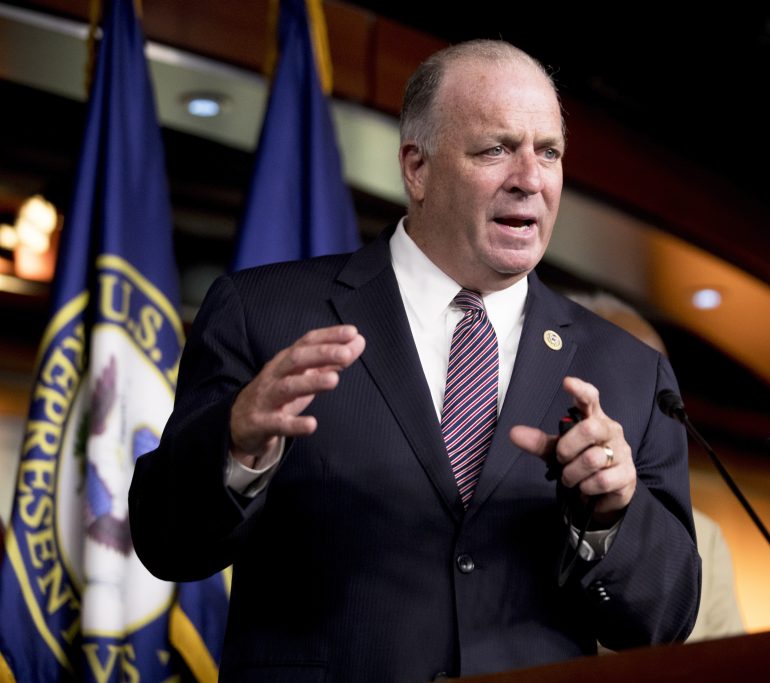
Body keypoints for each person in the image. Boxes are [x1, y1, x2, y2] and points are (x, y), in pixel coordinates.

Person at [130, 40, 700, 681]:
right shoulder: (265, 313)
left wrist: (614, 514)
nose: (530, 178)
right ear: (417, 168)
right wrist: (235, 449)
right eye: (495, 149)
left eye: (548, 152)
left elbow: (665, 619)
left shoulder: (627, 368)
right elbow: (164, 542)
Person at [567, 292, 744, 642]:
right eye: (631, 375)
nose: (648, 395)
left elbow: (734, 663)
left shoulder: (702, 537)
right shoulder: (512, 497)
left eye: (657, 380)